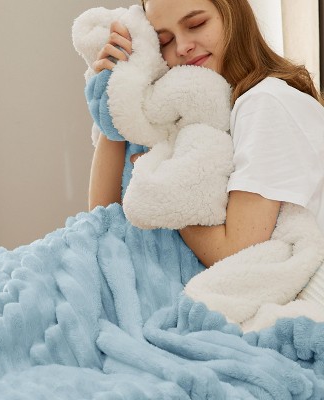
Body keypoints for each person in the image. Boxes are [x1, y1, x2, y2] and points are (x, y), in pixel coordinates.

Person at [89, 0, 324, 268]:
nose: (181, 47)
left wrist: (164, 182)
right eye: (165, 41)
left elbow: (234, 254)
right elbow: (102, 227)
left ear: (232, 13)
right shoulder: (197, 122)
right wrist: (117, 96)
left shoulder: (264, 102)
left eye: (196, 24)